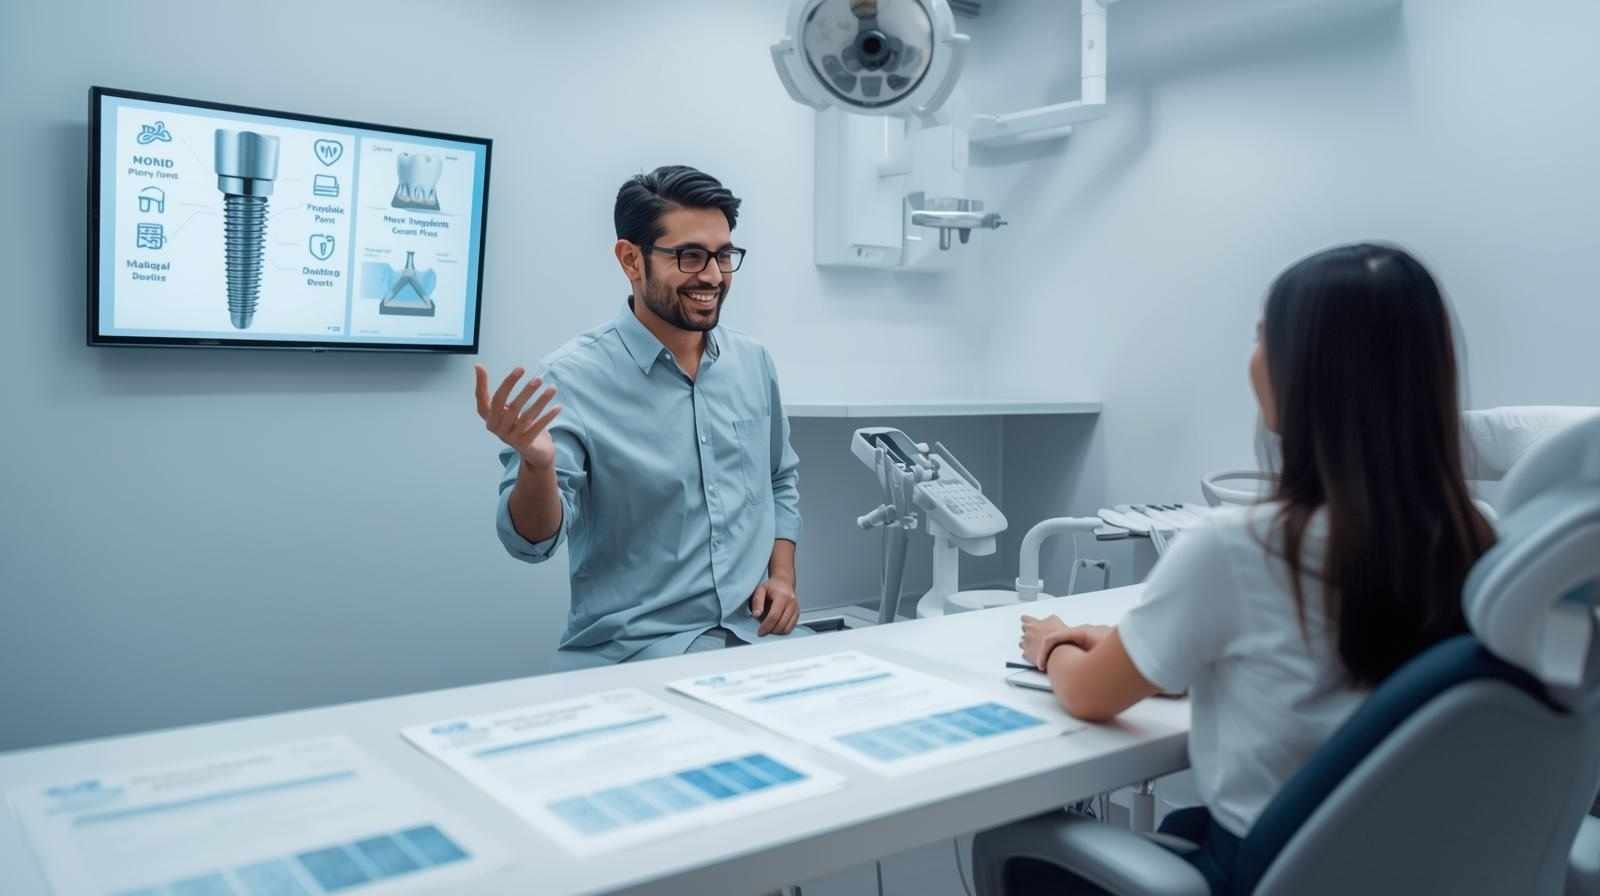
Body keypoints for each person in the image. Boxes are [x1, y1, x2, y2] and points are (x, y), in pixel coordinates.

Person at [1013, 244, 1497, 892]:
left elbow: (1087, 696)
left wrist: (1052, 646)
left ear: (1304, 373)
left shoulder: (1242, 546)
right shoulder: (1477, 537)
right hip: (1408, 869)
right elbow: (1327, 673)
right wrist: (1140, 649)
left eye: (1265, 337)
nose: (1255, 357)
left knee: (1017, 846)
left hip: (1269, 871)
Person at [474, 165, 806, 671]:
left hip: (755, 642)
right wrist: (538, 467)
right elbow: (530, 543)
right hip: (633, 657)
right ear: (631, 259)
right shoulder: (571, 379)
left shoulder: (753, 363)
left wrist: (782, 576)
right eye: (690, 256)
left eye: (723, 256)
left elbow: (780, 478)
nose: (713, 276)